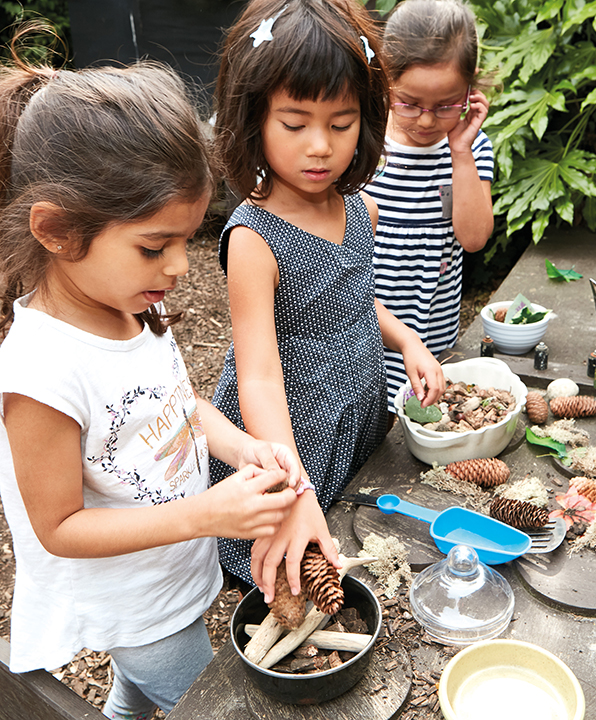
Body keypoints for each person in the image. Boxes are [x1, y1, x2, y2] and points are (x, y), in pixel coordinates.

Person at [0, 35, 303, 720]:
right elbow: (58, 527)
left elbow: (176, 404)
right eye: (153, 246)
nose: (179, 270)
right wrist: (206, 514)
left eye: (186, 241)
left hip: (173, 570)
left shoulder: (131, 303)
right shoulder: (41, 370)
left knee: (133, 701)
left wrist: (238, 446)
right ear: (55, 230)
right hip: (134, 608)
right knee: (222, 707)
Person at [210, 0, 445, 600]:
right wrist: (292, 486)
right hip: (290, 429)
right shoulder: (253, 238)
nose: (320, 146)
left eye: (340, 125)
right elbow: (257, 378)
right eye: (295, 124)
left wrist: (407, 340)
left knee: (345, 524)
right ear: (253, 119)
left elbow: (358, 299)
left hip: (352, 410)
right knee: (287, 566)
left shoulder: (359, 208)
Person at [365, 0, 495, 410]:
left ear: (470, 93)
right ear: (384, 79)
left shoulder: (473, 153)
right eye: (409, 103)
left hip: (435, 339)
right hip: (367, 333)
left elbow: (473, 239)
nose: (425, 121)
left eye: (445, 106)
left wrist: (460, 153)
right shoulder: (362, 147)